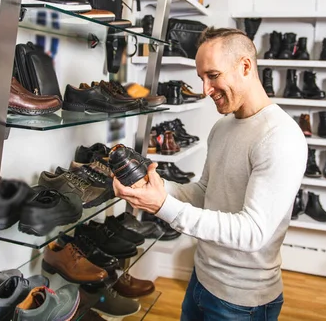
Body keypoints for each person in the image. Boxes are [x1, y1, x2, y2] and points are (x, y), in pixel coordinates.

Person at [113, 27, 307, 320]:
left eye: (213, 76)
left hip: (243, 302)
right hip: (201, 282)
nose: (205, 90)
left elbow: (253, 232)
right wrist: (155, 188)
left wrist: (164, 207)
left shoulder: (280, 137)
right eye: (201, 78)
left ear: (245, 66)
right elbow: (206, 192)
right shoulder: (223, 127)